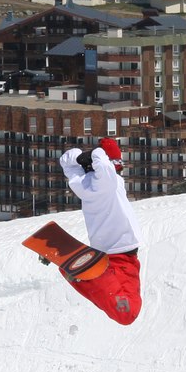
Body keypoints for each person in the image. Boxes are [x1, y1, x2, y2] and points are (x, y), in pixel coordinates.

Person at [58, 138, 142, 326]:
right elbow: (104, 167)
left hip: (109, 255)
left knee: (125, 310)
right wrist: (98, 153)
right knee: (128, 313)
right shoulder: (108, 182)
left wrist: (80, 157)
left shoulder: (83, 183)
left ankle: (84, 276)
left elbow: (66, 162)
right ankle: (85, 277)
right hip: (123, 256)